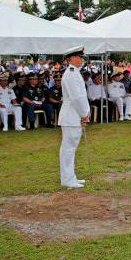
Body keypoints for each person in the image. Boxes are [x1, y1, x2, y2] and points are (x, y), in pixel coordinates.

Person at [58, 46, 90, 189]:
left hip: (74, 115)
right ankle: (67, 179)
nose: (81, 60)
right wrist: (84, 114)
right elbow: (76, 97)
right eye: (79, 57)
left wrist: (85, 113)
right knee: (68, 149)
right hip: (72, 115)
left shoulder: (74, 72)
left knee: (71, 148)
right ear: (70, 59)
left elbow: (81, 96)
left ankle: (71, 176)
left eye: (82, 57)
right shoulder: (71, 74)